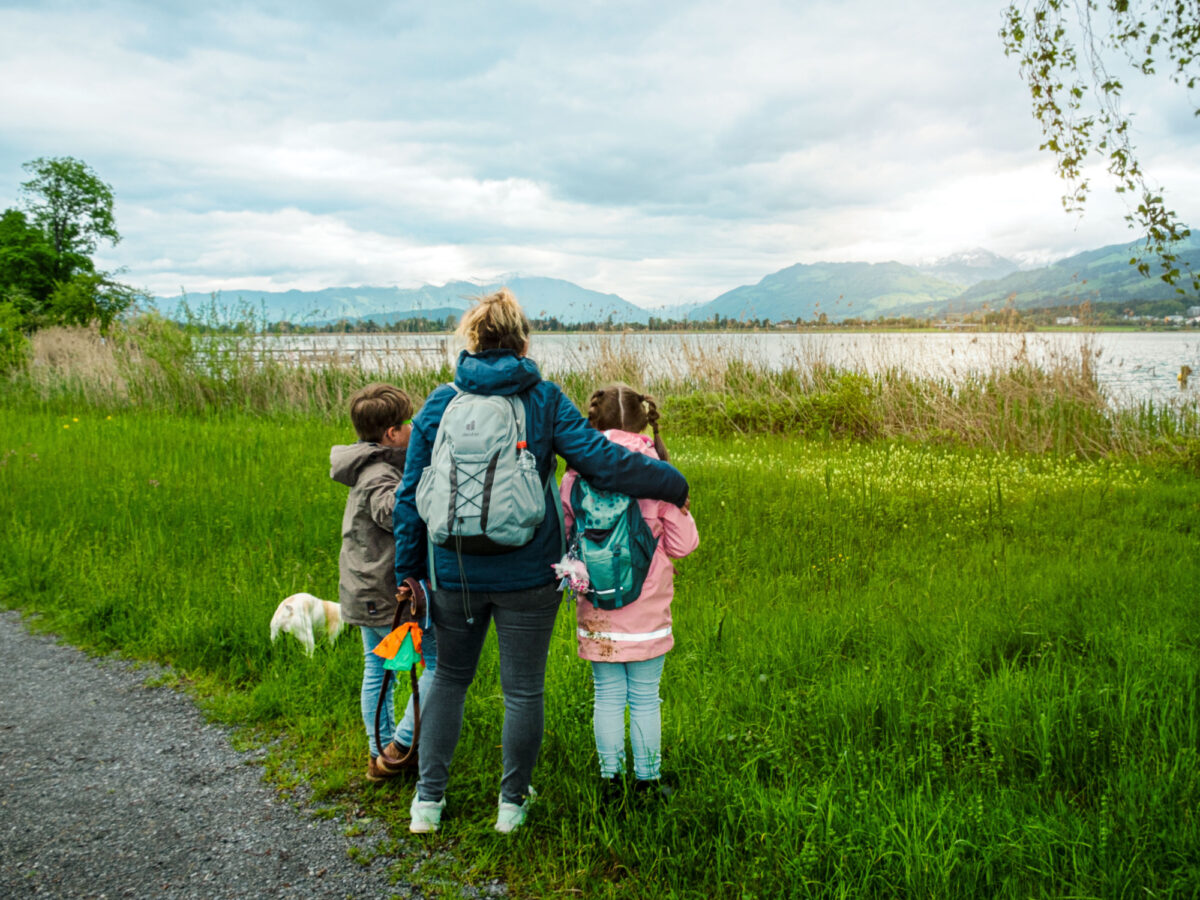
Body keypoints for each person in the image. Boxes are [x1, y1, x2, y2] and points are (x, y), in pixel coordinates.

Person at [393, 289, 689, 835]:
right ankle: (510, 806)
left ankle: (427, 804)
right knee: (522, 689)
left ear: (471, 341)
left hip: (452, 570)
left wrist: (406, 576)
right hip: (529, 573)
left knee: (449, 680)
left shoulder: (439, 403)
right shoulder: (545, 399)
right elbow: (602, 462)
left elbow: (410, 497)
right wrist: (670, 481)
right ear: (524, 341)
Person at [561, 384, 699, 801]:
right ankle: (648, 782)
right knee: (644, 697)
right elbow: (683, 545)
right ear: (644, 425)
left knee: (606, 695)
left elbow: (566, 535)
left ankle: (609, 782)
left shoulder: (573, 477)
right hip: (647, 613)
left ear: (593, 424)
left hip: (598, 610)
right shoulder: (657, 476)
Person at [330, 382, 437, 782]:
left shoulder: (372, 463)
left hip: (365, 590)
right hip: (380, 596)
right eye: (407, 423)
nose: (413, 428)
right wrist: (424, 482)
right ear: (391, 434)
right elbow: (393, 513)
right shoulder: (378, 472)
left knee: (381, 668)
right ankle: (394, 750)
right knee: (422, 668)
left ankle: (381, 749)